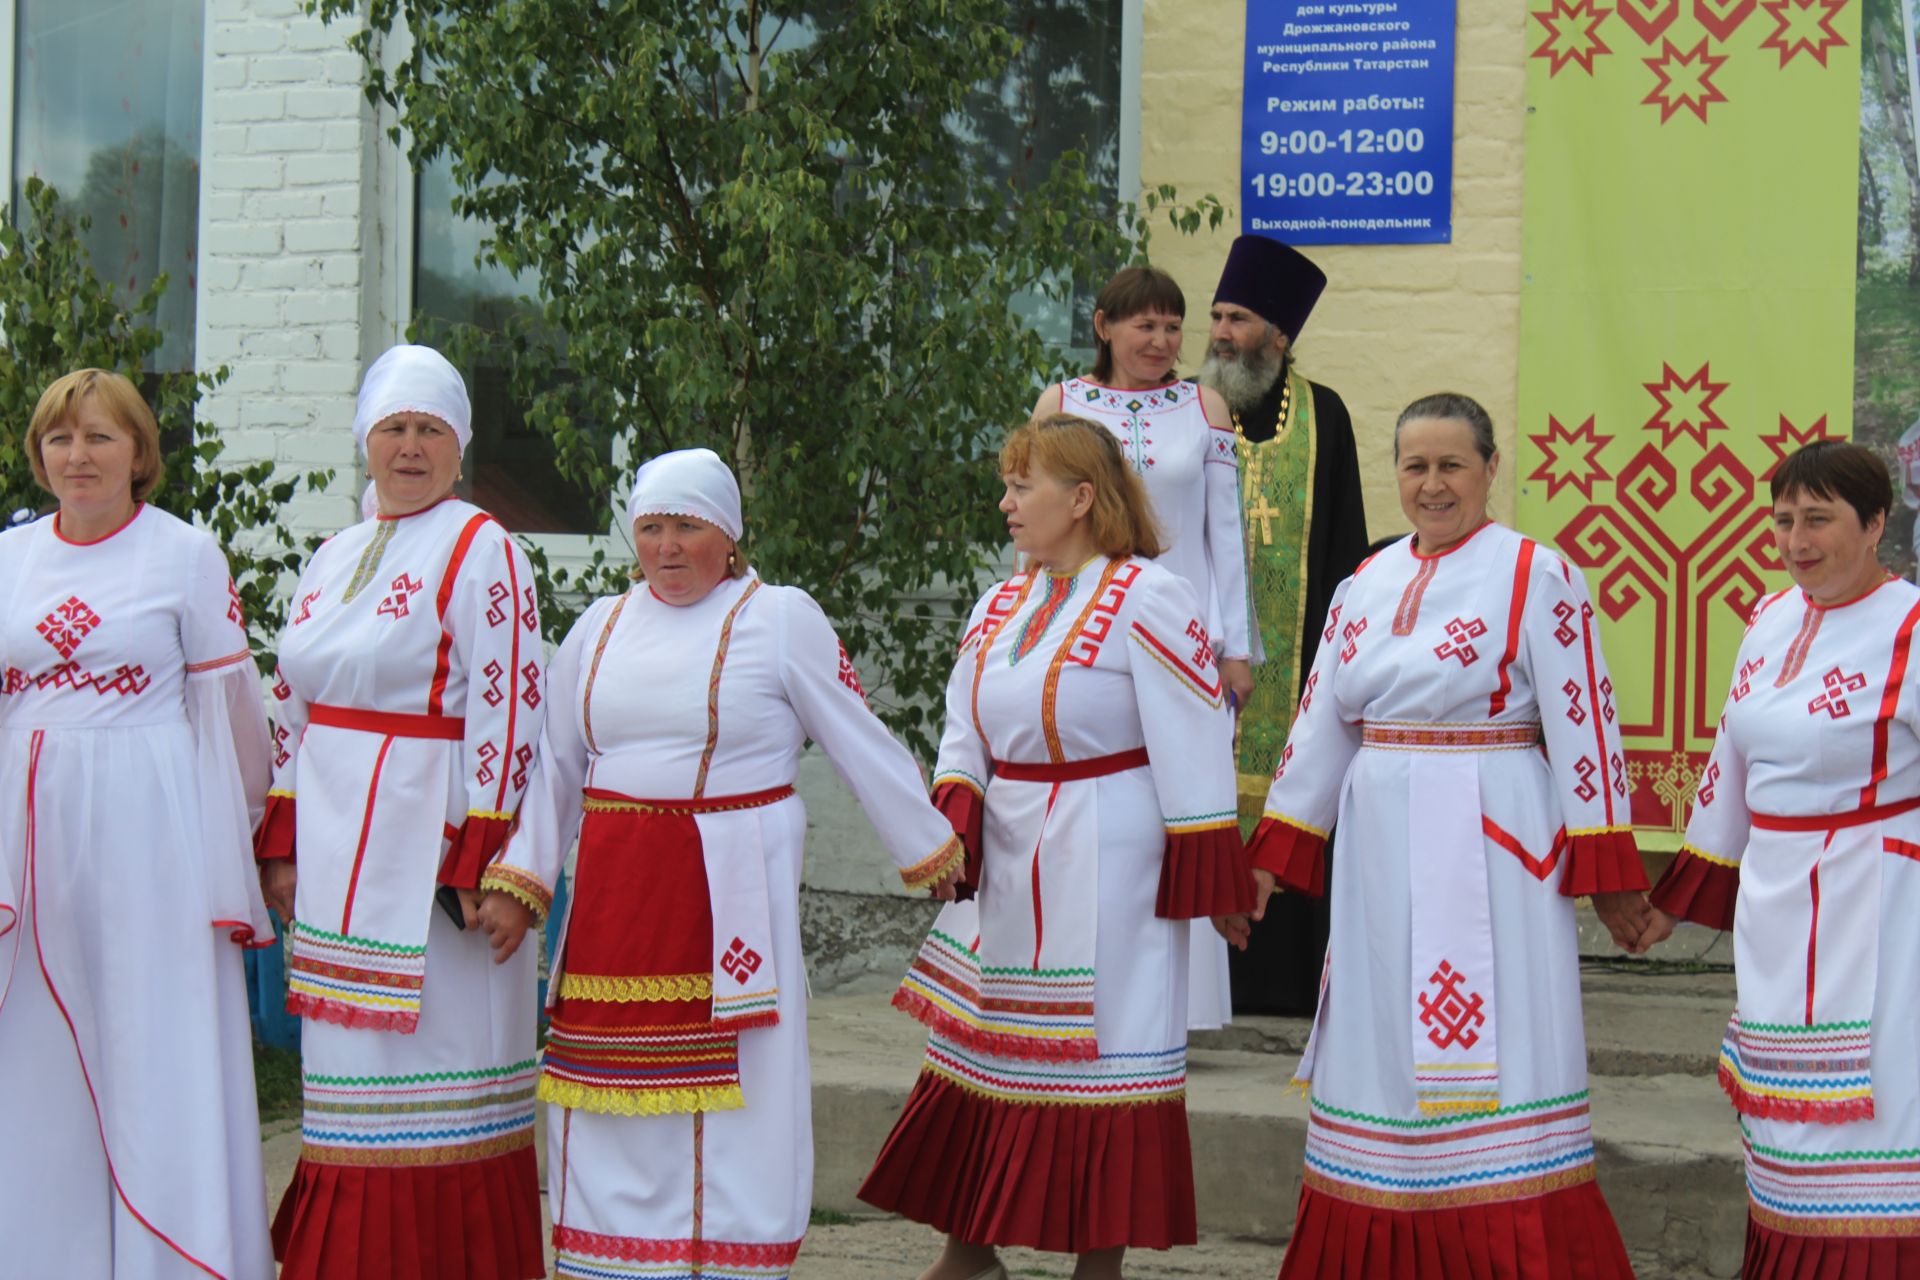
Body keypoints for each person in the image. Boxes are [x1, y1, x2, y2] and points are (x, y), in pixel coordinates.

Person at [476, 446, 963, 1278]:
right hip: (616, 892)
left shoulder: (779, 618)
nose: (667, 547)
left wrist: (925, 844)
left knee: (734, 1086)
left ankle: (724, 1255)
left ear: (729, 537)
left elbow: (855, 735)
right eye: (652, 528)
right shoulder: (597, 628)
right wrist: (522, 883)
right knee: (606, 1079)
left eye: (688, 528)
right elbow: (556, 766)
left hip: (729, 890)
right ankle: (613, 1259)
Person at [1241, 393, 1647, 1278]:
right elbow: (1320, 728)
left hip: (1494, 830)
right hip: (1380, 839)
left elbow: (1586, 724)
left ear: (1491, 469)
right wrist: (1270, 862)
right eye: (1415, 466)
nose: (1432, 485)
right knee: (1382, 1032)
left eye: (1451, 464)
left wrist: (1610, 872)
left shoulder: (1538, 573)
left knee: (1504, 1044)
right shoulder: (1364, 582)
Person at [859, 413, 1253, 1280]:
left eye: (1020, 485)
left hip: (1113, 852)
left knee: (1101, 1055)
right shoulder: (1001, 601)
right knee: (983, 1042)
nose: (1005, 502)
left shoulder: (1149, 595)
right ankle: (969, 1255)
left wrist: (1215, 873)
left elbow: (1192, 733)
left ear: (1080, 498)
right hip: (1012, 848)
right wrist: (955, 808)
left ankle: (1097, 1269)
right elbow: (964, 720)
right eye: (1007, 484)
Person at [257, 344, 547, 1280]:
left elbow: (511, 711)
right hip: (340, 861)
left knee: (441, 1092)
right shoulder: (331, 554)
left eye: (431, 430)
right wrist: (282, 839)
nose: (411, 448)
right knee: (348, 1094)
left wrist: (491, 864)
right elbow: (293, 711)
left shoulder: (484, 547)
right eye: (394, 429)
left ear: (459, 447)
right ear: (365, 442)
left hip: (436, 865)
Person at [0, 368, 276, 1277]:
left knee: (148, 1044)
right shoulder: (8, 559)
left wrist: (236, 839)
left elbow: (232, 717)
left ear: (139, 453)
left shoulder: (184, 555)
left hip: (147, 843)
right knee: (33, 1058)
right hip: (25, 849)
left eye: (99, 437)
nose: (77, 455)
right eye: (59, 438)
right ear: (39, 455)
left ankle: (169, 1253)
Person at [1641, 441, 1920, 1274]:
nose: (1797, 541)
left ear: (1874, 524)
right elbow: (1730, 763)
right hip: (1776, 904)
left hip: (1879, 909)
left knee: (1875, 1112)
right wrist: (1669, 902)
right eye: (1783, 520)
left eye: (1819, 520)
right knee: (1786, 1125)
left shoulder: (1911, 625)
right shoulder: (1769, 618)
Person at [1034, 264, 1253, 1031]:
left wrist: (1238, 648)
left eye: (1171, 327)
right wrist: (1025, 624)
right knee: (1106, 804)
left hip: (1187, 638)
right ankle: (1085, 982)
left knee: (1186, 802)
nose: (1159, 342)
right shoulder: (1064, 403)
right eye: (1143, 326)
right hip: (1087, 633)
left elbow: (1225, 532)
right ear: (1103, 327)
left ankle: (1184, 1007)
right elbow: (1039, 515)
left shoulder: (1207, 405)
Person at [1201, 232, 1370, 1017]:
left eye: (1238, 318)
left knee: (1296, 799)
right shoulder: (1190, 414)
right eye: (1217, 316)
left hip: (1298, 665)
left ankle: (1289, 986)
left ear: (1279, 334)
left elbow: (1344, 541)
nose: (1221, 333)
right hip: (1199, 663)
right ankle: (1204, 985)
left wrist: (1342, 664)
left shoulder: (1324, 417)